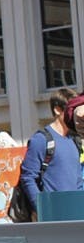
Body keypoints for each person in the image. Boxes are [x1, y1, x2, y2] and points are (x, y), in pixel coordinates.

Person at [16, 88, 82, 219]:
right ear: (57, 109)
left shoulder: (74, 140)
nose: (73, 116)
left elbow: (78, 179)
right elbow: (28, 177)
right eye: (70, 110)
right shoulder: (41, 139)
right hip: (53, 216)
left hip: (76, 214)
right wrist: (42, 209)